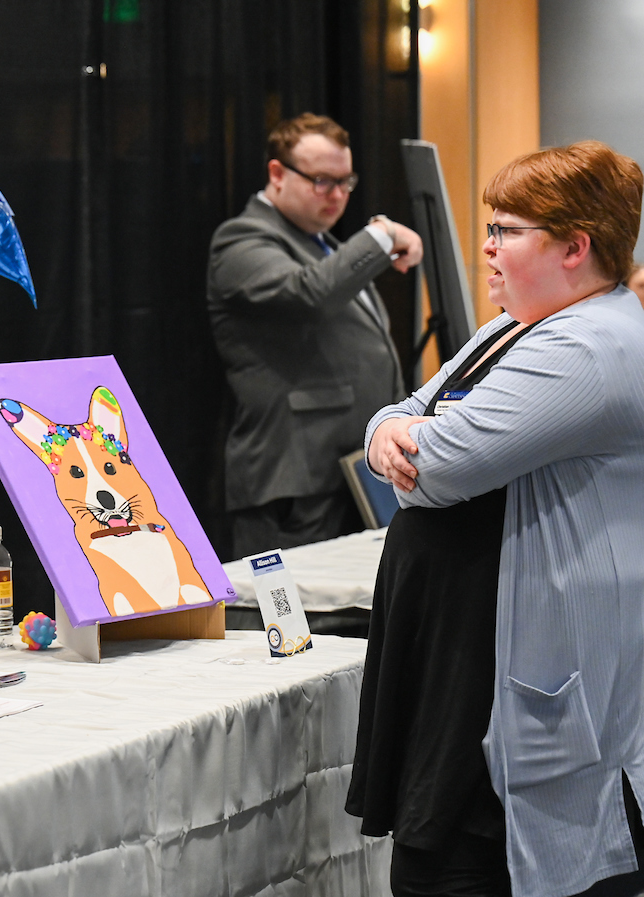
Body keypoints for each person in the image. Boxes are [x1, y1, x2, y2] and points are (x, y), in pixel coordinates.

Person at [347, 141, 644, 897]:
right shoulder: (519, 325)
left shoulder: (585, 345)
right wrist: (390, 432)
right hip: (468, 660)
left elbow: (438, 469)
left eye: (507, 230)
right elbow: (402, 413)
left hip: (517, 678)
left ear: (575, 247)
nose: (486, 246)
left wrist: (405, 440)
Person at [207, 112, 423, 559]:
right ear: (277, 173)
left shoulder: (321, 243)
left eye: (346, 182)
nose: (337, 195)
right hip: (294, 482)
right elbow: (310, 293)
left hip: (348, 475)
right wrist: (380, 234)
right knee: (287, 605)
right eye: (323, 181)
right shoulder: (241, 239)